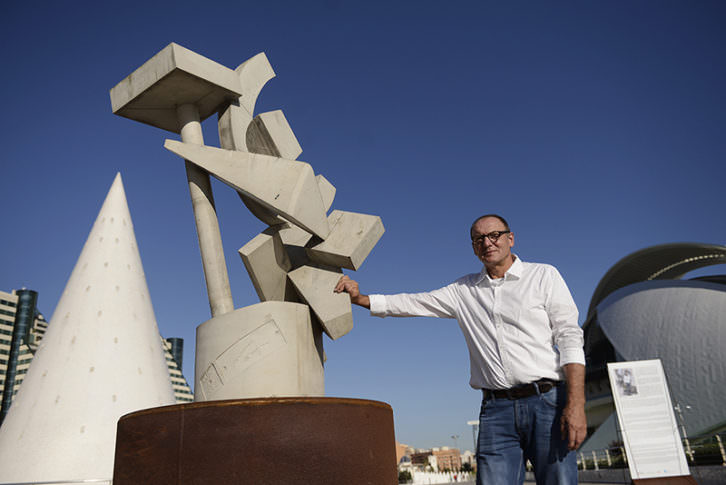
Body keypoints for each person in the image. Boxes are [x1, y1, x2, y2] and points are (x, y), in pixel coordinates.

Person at [334, 214, 586, 485]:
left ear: (510, 239)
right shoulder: (463, 290)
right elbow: (414, 302)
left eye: (494, 235)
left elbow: (570, 337)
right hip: (496, 410)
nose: (487, 243)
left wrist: (576, 404)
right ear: (474, 248)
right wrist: (361, 299)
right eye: (479, 239)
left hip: (547, 402)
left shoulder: (543, 276)